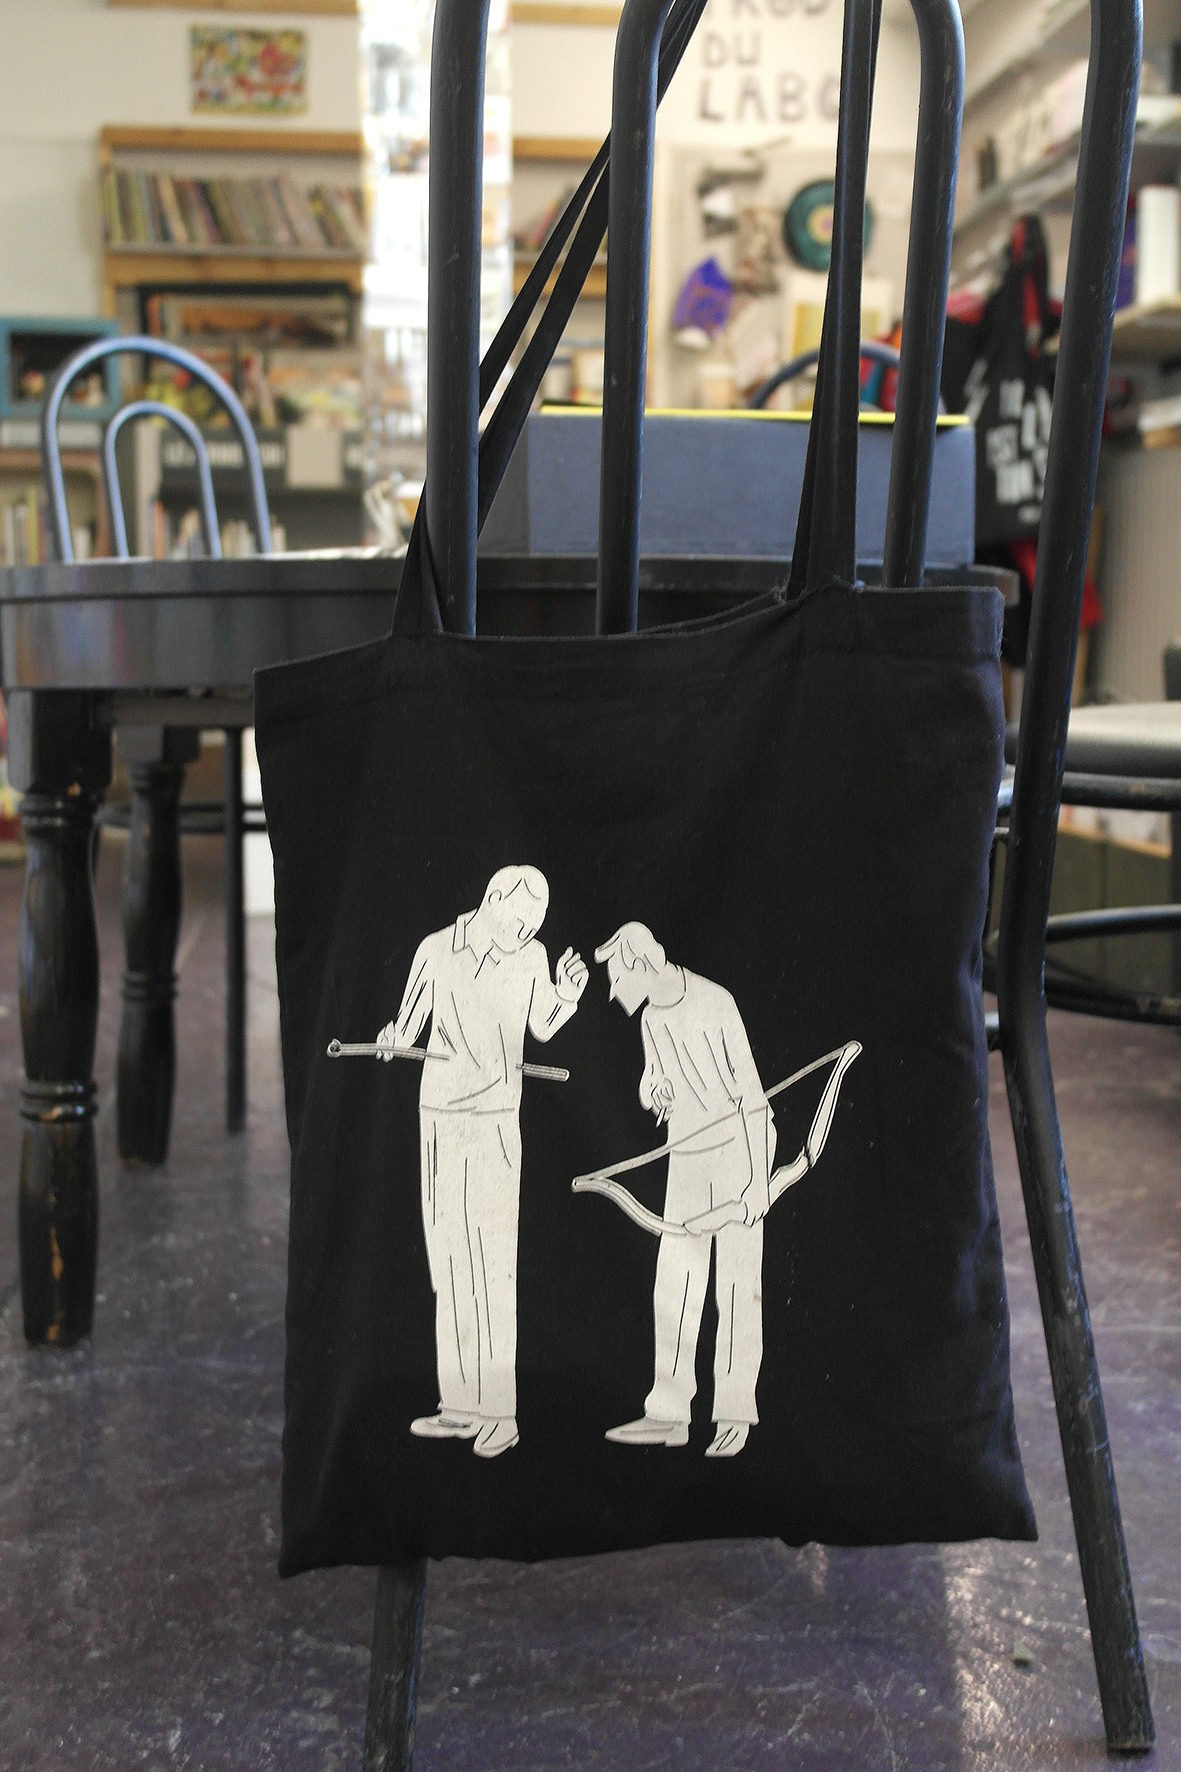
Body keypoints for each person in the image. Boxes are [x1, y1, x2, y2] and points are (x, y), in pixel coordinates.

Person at [378, 866, 587, 1458]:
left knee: (493, 1264)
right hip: (441, 1120)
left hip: (497, 1122)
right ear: (491, 900)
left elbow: (542, 1025)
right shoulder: (435, 951)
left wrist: (566, 995)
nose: (524, 935)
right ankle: (460, 1405)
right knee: (449, 1263)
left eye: (533, 927)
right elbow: (407, 1026)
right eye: (518, 922)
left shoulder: (531, 957)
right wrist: (393, 1040)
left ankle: (500, 1412)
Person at [594, 922, 774, 1457]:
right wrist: (654, 1091)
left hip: (740, 1150)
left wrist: (757, 1184)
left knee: (737, 1285)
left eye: (617, 976)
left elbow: (752, 1097)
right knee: (675, 1282)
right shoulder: (651, 1018)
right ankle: (669, 1413)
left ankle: (734, 1414)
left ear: (641, 964)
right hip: (688, 1152)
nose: (613, 990)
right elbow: (653, 1082)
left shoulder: (715, 1001)